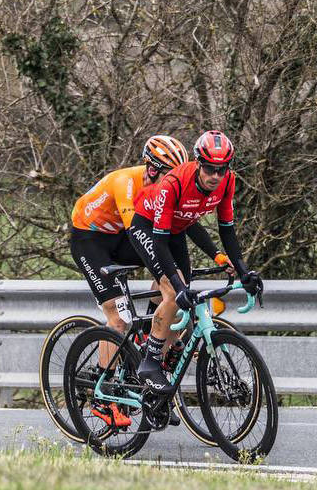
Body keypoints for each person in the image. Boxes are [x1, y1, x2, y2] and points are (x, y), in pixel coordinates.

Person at [128, 130, 262, 392]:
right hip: (148, 228)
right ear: (199, 164)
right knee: (173, 292)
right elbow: (159, 242)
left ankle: (153, 358)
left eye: (221, 170)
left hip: (178, 230)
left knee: (180, 302)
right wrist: (178, 287)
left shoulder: (227, 182)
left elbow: (227, 229)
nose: (215, 176)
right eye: (210, 169)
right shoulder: (174, 184)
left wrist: (244, 270)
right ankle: (149, 363)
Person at [70, 134, 189, 426]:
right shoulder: (126, 183)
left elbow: (170, 237)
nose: (174, 181)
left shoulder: (164, 189)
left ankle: (149, 334)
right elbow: (139, 238)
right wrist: (164, 277)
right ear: (151, 169)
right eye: (168, 174)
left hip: (119, 237)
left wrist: (176, 282)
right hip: (91, 239)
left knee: (172, 283)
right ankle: (101, 397)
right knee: (119, 319)